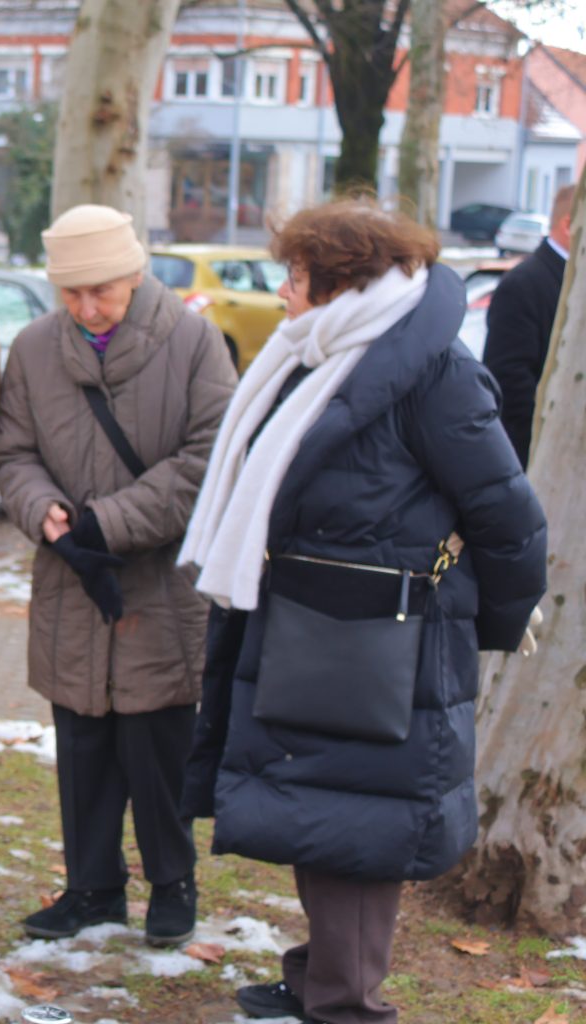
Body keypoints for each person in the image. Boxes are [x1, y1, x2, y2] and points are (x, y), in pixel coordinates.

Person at [178, 199, 547, 1024]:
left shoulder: (435, 373)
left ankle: (346, 1004)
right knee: (322, 818)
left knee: (357, 832)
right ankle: (320, 981)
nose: (282, 290)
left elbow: (510, 517)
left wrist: (490, 625)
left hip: (385, 647)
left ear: (342, 282)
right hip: (307, 630)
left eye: (295, 274)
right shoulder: (318, 354)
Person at [0, 205, 237, 948]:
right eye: (71, 293)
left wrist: (110, 520)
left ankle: (173, 882)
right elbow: (11, 453)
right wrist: (45, 511)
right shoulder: (34, 348)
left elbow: (210, 458)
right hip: (71, 579)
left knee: (158, 746)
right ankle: (92, 887)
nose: (87, 307)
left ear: (134, 274)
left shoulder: (194, 341)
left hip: (160, 584)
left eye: (101, 290)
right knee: (83, 744)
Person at [483, 182, 574, 467]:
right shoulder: (524, 284)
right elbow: (509, 380)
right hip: (539, 459)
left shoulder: (572, 278)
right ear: (569, 225)